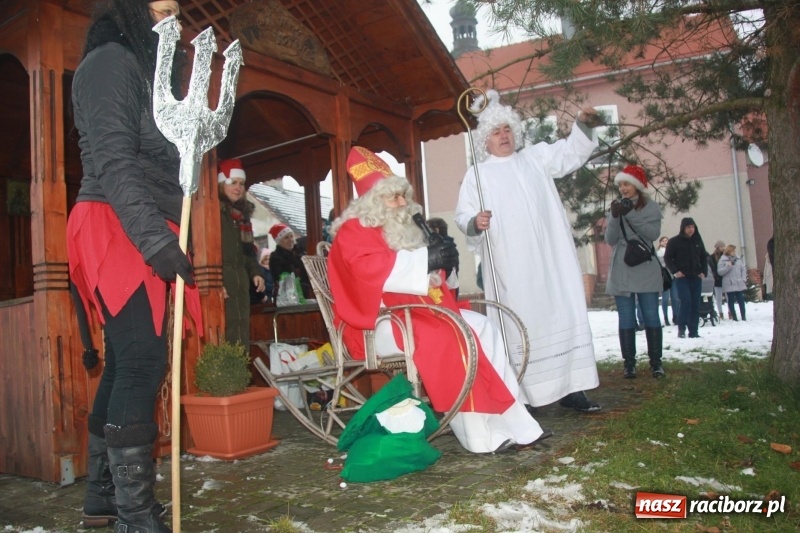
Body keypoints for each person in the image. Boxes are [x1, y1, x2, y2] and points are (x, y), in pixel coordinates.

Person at [66, 2, 197, 531]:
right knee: (143, 360)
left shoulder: (149, 75)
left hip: (145, 221)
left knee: (125, 360)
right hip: (115, 218)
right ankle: (135, 516)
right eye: (161, 10)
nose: (174, 21)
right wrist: (153, 240)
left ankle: (103, 496)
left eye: (177, 13)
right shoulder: (110, 60)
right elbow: (115, 160)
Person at [328, 146, 549, 453]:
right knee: (452, 335)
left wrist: (432, 263)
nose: (403, 203)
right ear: (373, 201)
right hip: (374, 325)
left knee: (483, 326)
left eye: (403, 195)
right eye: (395, 197)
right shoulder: (353, 231)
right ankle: (480, 437)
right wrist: (425, 260)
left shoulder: (395, 229)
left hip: (413, 314)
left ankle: (514, 422)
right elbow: (370, 272)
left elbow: (420, 280)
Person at [454, 89, 603, 413]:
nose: (503, 135)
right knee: (521, 323)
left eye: (507, 128)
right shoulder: (478, 175)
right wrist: (475, 222)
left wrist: (584, 125)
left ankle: (572, 388)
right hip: (514, 267)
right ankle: (525, 392)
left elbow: (569, 154)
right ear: (485, 140)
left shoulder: (535, 158)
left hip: (552, 261)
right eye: (496, 131)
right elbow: (463, 215)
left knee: (562, 312)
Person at [604, 166, 664, 378]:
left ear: (636, 186)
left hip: (645, 266)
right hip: (622, 269)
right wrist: (613, 216)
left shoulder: (652, 208)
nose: (623, 188)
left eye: (626, 184)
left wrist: (630, 215)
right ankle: (629, 364)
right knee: (626, 318)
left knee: (650, 315)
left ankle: (656, 362)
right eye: (620, 185)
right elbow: (610, 240)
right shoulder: (617, 207)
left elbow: (652, 234)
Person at [218, 158, 265, 345]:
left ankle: (240, 373)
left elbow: (248, 253)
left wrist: (255, 273)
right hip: (222, 280)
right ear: (221, 184)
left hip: (240, 281)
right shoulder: (212, 214)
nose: (238, 187)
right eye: (233, 183)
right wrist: (215, 283)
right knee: (225, 331)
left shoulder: (242, 217)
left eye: (242, 184)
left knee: (241, 330)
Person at [664, 217, 709, 338]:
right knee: (686, 301)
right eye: (688, 227)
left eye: (693, 227)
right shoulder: (675, 241)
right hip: (682, 277)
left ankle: (693, 331)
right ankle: (681, 328)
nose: (691, 229)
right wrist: (675, 271)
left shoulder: (697, 241)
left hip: (696, 277)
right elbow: (667, 258)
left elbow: (703, 257)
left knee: (695, 304)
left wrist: (704, 272)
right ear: (683, 228)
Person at [268, 223, 312, 301]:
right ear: (279, 241)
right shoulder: (276, 257)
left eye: (291, 236)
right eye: (286, 238)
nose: (290, 240)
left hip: (306, 293)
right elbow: (284, 279)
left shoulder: (300, 252)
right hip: (289, 297)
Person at [426, 217, 460, 298]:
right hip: (452, 289)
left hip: (441, 291)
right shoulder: (451, 246)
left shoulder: (440, 249)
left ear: (436, 230)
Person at [717, 244, 748, 321]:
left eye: (734, 251)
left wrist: (743, 278)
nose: (734, 252)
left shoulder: (738, 259)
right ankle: (734, 317)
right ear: (729, 252)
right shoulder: (722, 260)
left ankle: (743, 316)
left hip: (738, 282)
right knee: (731, 300)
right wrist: (728, 266)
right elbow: (720, 272)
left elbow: (743, 269)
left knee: (741, 299)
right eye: (732, 251)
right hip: (729, 283)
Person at [656, 236, 680, 326]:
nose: (665, 242)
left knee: (675, 298)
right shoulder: (659, 253)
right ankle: (665, 317)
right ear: (660, 242)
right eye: (663, 241)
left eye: (667, 240)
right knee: (665, 298)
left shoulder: (672, 251)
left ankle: (675, 316)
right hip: (665, 277)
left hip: (673, 275)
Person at [708, 240, 726, 320]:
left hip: (725, 278)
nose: (723, 248)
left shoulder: (725, 256)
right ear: (718, 247)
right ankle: (720, 312)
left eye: (723, 246)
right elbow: (712, 268)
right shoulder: (712, 257)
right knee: (718, 297)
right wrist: (715, 275)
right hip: (717, 279)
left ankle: (730, 312)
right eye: (722, 246)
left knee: (728, 296)